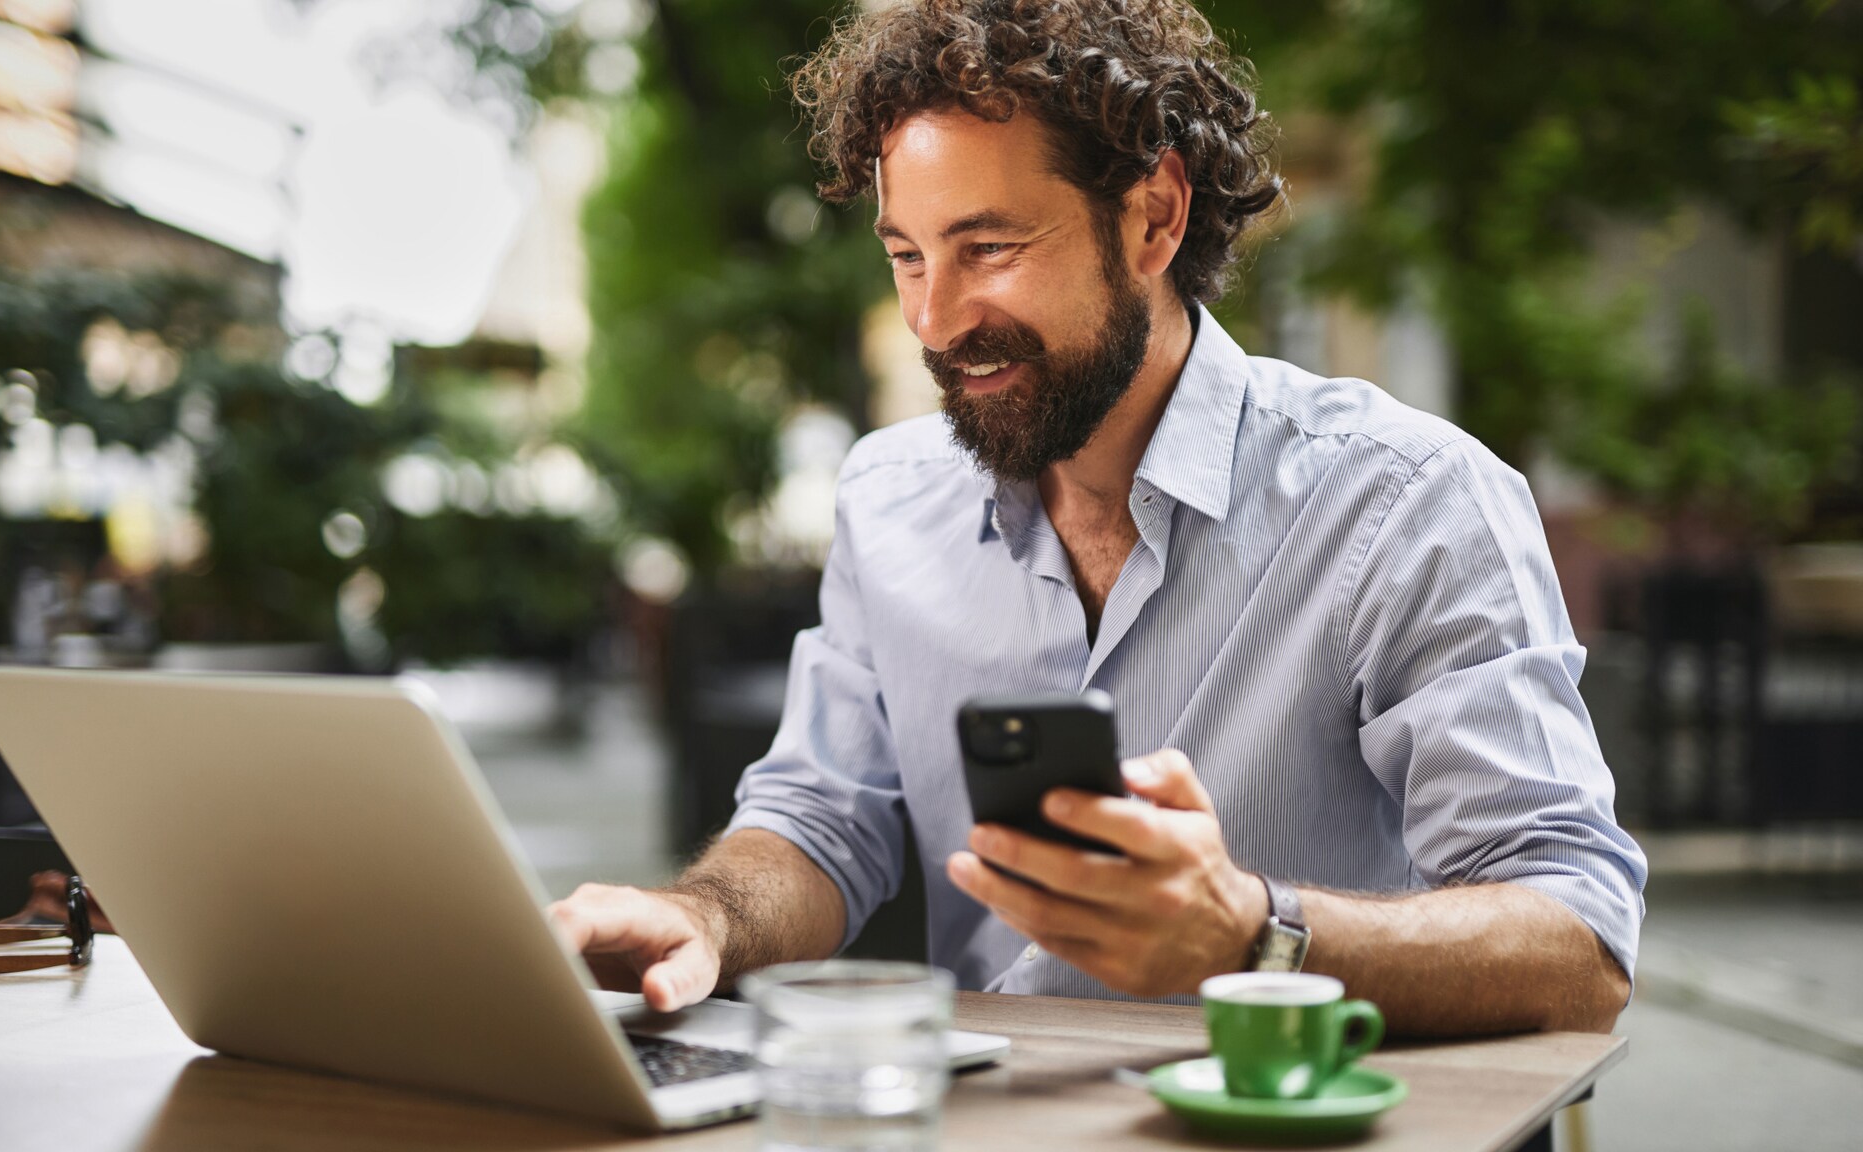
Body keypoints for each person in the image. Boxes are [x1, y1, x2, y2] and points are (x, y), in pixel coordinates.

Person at [550, 0, 1645, 1037]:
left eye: (988, 250)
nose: (934, 320)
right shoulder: (886, 501)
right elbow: (821, 823)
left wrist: (1251, 933)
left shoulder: (1405, 502)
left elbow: (1578, 942)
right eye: (905, 256)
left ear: (1153, 219)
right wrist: (703, 919)